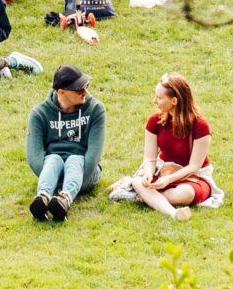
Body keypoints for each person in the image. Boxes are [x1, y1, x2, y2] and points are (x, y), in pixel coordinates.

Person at [108, 74, 214, 217]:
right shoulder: (155, 121)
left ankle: (138, 194)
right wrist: (148, 174)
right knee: (140, 182)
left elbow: (194, 167)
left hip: (191, 177)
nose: (154, 101)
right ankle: (173, 213)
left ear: (174, 100)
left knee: (183, 194)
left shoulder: (200, 126)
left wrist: (168, 180)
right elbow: (150, 158)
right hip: (162, 171)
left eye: (159, 98)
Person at [25, 65, 106, 222]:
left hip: (85, 171)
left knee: (74, 160)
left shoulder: (96, 109)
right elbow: (34, 157)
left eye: (86, 87)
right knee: (53, 159)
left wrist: (69, 183)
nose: (86, 92)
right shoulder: (39, 113)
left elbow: (93, 155)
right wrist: (54, 179)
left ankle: (64, 199)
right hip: (52, 170)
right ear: (61, 92)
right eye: (79, 90)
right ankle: (43, 197)